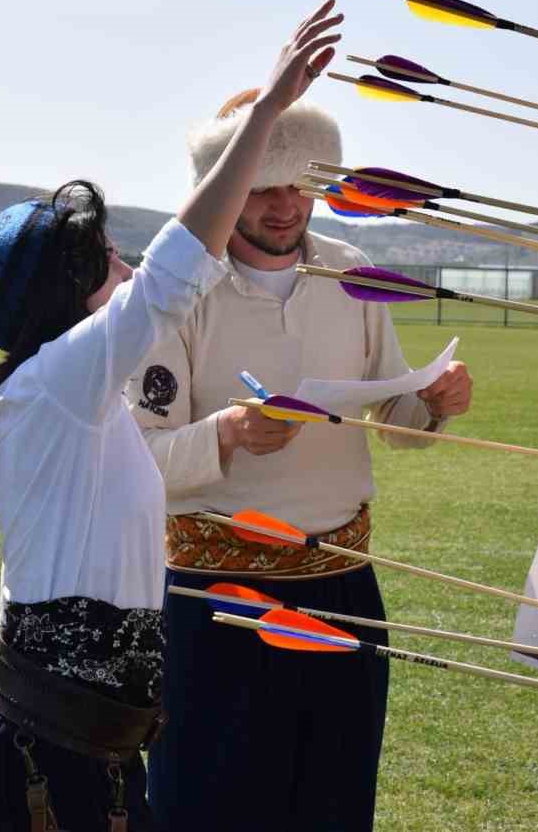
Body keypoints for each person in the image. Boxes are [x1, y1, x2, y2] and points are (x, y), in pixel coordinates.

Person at [0, 0, 343, 832]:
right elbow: (175, 271)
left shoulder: (66, 387)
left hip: (86, 740)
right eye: (105, 259)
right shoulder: (58, 378)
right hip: (46, 743)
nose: (125, 267)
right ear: (65, 294)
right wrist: (267, 113)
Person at [127, 93, 473, 831]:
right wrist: (227, 433)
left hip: (343, 588)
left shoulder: (353, 272)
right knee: (207, 808)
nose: (285, 206)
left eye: (299, 185)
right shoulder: (175, 288)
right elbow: (137, 462)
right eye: (261, 186)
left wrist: (435, 401)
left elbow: (395, 420)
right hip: (212, 598)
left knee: (334, 805)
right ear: (226, 186)